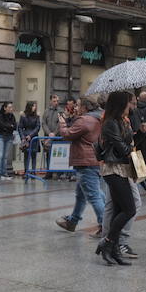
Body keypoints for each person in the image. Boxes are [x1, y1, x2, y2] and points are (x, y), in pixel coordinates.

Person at [96, 91, 137, 266]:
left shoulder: (122, 121)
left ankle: (113, 251)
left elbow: (129, 143)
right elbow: (123, 149)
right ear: (121, 104)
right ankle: (107, 242)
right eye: (129, 103)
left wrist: (140, 133)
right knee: (130, 209)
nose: (131, 106)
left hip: (122, 168)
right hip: (113, 169)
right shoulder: (110, 123)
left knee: (119, 209)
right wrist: (130, 146)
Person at [55, 97, 105, 234]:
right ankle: (73, 221)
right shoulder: (98, 118)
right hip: (93, 160)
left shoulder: (85, 120)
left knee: (94, 196)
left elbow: (67, 134)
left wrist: (62, 123)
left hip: (85, 161)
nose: (76, 108)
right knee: (82, 194)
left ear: (85, 107)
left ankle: (106, 226)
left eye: (78, 105)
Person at [0, 102, 16, 181]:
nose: (11, 109)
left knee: (5, 156)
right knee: (0, 155)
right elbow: (1, 125)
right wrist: (9, 126)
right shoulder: (0, 116)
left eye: (12, 107)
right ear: (5, 108)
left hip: (9, 137)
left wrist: (9, 126)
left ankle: (4, 173)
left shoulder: (12, 116)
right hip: (0, 136)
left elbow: (15, 126)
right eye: (9, 107)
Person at [18, 101, 41, 176]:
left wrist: (30, 135)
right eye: (33, 106)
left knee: (34, 155)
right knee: (26, 155)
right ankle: (26, 171)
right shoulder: (23, 116)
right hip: (25, 138)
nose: (35, 107)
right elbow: (20, 127)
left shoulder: (37, 116)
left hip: (34, 137)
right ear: (29, 107)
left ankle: (33, 171)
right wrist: (22, 137)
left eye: (35, 106)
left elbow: (38, 127)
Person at [41, 94, 61, 170]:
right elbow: (43, 123)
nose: (56, 103)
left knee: (57, 155)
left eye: (57, 101)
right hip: (48, 137)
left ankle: (57, 172)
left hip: (57, 137)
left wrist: (54, 133)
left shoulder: (60, 111)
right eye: (54, 101)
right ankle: (49, 171)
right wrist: (49, 133)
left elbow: (60, 124)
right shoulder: (46, 111)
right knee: (48, 155)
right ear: (51, 101)